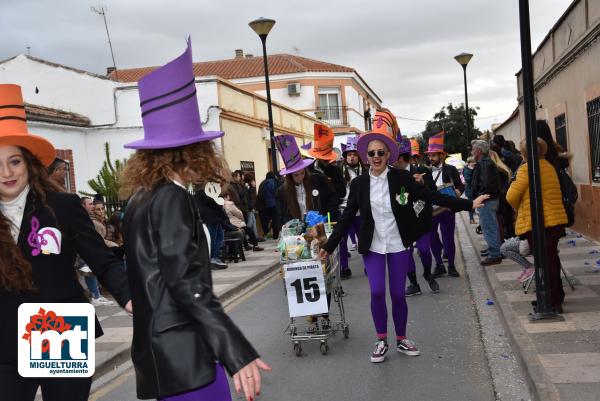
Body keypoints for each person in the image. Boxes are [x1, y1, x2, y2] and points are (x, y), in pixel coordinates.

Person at [120, 40, 270, 401]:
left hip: (163, 360)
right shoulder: (172, 198)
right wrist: (237, 352)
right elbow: (187, 285)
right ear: (192, 150)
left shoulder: (142, 197)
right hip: (186, 359)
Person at [319, 110, 488, 363]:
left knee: (397, 294)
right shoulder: (358, 185)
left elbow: (431, 197)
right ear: (366, 157)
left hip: (398, 243)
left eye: (381, 153)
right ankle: (380, 341)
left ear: (388, 155)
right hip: (373, 245)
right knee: (377, 292)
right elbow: (346, 218)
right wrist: (330, 246)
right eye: (372, 153)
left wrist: (468, 204)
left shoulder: (402, 178)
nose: (376, 157)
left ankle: (401, 339)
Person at [0, 83, 132, 401]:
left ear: (29, 162)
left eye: (14, 161)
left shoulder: (63, 206)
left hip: (58, 326)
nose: (6, 172)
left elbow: (101, 258)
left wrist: (130, 296)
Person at [506, 137, 567, 313]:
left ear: (524, 153)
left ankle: (550, 302)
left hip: (539, 222)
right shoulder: (548, 166)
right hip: (554, 221)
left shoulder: (527, 169)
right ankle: (553, 297)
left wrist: (520, 207)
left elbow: (510, 196)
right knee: (552, 260)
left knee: (544, 262)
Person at [392, 135, 440, 296]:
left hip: (422, 217)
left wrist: (423, 184)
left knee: (425, 249)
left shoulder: (422, 171)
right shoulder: (390, 175)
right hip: (402, 220)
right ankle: (413, 283)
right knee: (406, 253)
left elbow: (433, 192)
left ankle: (428, 273)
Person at [275, 135, 339, 227]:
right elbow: (281, 214)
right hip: (297, 232)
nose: (300, 177)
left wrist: (328, 216)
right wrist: (290, 225)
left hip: (321, 227)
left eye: (302, 173)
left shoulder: (318, 180)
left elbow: (332, 197)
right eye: (296, 175)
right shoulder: (282, 191)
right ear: (289, 176)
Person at [425, 132, 465, 277]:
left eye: (433, 155)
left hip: (448, 208)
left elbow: (461, 185)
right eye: (429, 155)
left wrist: (459, 192)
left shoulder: (451, 169)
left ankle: (452, 266)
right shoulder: (426, 171)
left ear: (442, 155)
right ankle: (439, 265)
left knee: (448, 238)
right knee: (432, 237)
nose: (431, 158)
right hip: (432, 210)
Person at [471, 140, 503, 266]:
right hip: (488, 199)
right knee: (489, 226)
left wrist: (480, 196)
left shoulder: (485, 163)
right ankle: (493, 249)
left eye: (473, 149)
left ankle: (495, 254)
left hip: (487, 200)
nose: (472, 151)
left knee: (489, 227)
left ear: (479, 151)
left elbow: (485, 184)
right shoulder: (485, 162)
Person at [338, 135, 364, 278]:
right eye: (349, 154)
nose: (352, 157)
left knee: (365, 239)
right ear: (345, 156)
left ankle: (368, 265)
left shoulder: (365, 171)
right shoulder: (339, 172)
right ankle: (344, 268)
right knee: (341, 241)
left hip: (361, 212)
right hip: (344, 211)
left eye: (355, 154)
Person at [222, 186, 264, 252]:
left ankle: (246, 245)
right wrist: (242, 219)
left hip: (228, 225)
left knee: (243, 228)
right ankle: (256, 245)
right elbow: (239, 213)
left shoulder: (220, 204)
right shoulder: (229, 204)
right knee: (248, 229)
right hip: (234, 223)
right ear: (227, 196)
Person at [489, 149, 514, 239]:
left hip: (501, 196)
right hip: (506, 195)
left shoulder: (496, 169)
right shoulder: (504, 168)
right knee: (507, 218)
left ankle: (506, 237)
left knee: (502, 219)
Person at [256, 171, 279, 238]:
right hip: (273, 204)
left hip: (264, 205)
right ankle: (275, 234)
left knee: (266, 220)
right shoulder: (272, 182)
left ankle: (267, 233)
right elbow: (274, 192)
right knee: (275, 219)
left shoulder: (262, 183)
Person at [463, 156, 477, 224]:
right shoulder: (466, 169)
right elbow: (467, 179)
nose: (474, 163)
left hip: (475, 189)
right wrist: (472, 171)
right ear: (469, 163)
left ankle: (473, 215)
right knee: (471, 204)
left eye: (474, 162)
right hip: (470, 190)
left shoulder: (475, 168)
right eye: (472, 162)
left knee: (475, 204)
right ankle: (471, 219)